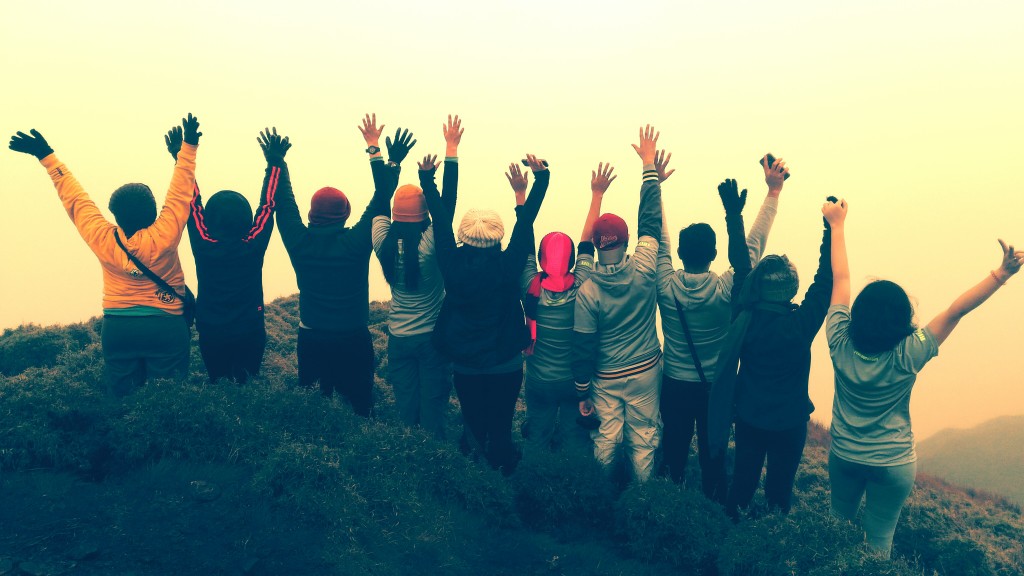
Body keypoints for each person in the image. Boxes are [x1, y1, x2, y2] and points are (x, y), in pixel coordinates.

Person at [823, 200, 1022, 558]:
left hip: (846, 455)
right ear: (902, 319)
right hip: (893, 462)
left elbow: (841, 279)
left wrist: (837, 224)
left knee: (837, 528)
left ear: (859, 315)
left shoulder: (838, 338)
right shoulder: (908, 353)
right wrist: (1001, 275)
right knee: (878, 544)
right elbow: (957, 310)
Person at [8, 115, 201, 396]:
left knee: (122, 400)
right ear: (154, 211)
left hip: (118, 327)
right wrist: (188, 148)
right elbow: (181, 193)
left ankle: (122, 437)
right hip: (166, 325)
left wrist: (47, 157)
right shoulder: (166, 234)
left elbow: (76, 200)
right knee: (167, 400)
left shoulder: (102, 238)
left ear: (116, 215)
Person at [657, 155, 788, 501]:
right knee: (713, 458)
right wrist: (773, 192)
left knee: (672, 454)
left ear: (680, 253)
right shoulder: (725, 290)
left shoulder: (665, 285)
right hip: (714, 388)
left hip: (673, 383)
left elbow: (659, 237)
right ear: (715, 253)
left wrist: (654, 185)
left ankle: (665, 507)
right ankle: (713, 511)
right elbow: (752, 250)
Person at [418, 151, 549, 476]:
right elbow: (526, 222)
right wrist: (539, 180)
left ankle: (474, 469)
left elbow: (440, 221)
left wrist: (427, 180)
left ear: (463, 237)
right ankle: (502, 466)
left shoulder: (451, 263)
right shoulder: (509, 264)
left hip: (465, 363)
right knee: (502, 421)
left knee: (473, 419)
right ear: (498, 237)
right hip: (504, 361)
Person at [709, 189, 833, 519]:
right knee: (779, 492)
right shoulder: (800, 325)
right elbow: (824, 282)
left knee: (742, 485)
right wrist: (830, 229)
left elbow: (740, 264)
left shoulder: (744, 316)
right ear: (792, 289)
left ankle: (729, 535)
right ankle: (770, 546)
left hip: (750, 417)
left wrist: (734, 215)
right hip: (789, 422)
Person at [275, 113, 409, 416]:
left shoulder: (299, 243)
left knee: (312, 410)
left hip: (311, 338)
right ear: (346, 215)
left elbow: (284, 205)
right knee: (361, 407)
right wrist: (389, 159)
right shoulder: (355, 243)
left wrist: (277, 163)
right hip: (353, 338)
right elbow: (381, 198)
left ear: (311, 215)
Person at [572, 125, 664, 483]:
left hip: (605, 378)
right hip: (645, 372)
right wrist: (648, 167)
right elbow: (651, 223)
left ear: (596, 247)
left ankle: (600, 500)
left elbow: (582, 347)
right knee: (644, 440)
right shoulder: (644, 266)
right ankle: (642, 504)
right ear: (627, 241)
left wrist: (582, 390)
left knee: (606, 440)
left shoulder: (587, 288)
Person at [165, 125, 288, 384]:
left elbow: (192, 200)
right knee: (247, 385)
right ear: (247, 222)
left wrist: (181, 155)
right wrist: (275, 162)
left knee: (219, 385)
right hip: (250, 329)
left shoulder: (204, 242)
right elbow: (268, 205)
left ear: (209, 221)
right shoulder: (252, 244)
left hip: (212, 330)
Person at [372, 115, 462, 437]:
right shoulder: (429, 245)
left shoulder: (381, 238)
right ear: (425, 213)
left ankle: (407, 466)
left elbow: (379, 199)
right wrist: (449, 152)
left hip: (398, 340)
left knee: (406, 414)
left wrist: (387, 160)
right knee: (433, 414)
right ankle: (435, 465)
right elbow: (446, 205)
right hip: (430, 340)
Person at [517, 162, 611, 452]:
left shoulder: (529, 284)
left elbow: (524, 238)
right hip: (573, 382)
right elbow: (587, 241)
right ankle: (573, 485)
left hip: (538, 381)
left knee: (538, 437)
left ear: (542, 260)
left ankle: (533, 481)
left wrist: (520, 195)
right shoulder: (582, 283)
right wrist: (597, 194)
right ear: (571, 260)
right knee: (574, 440)